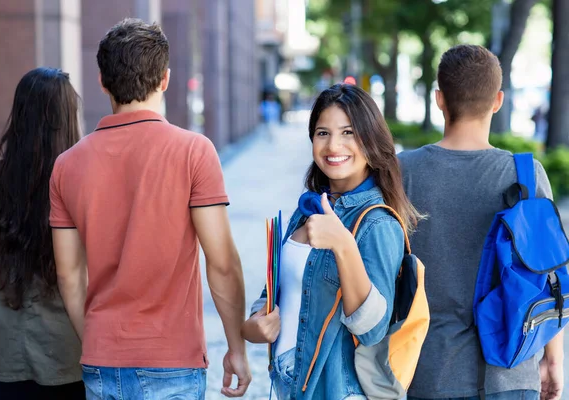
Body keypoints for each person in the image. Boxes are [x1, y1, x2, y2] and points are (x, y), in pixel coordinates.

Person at [48, 18, 251, 399]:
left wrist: (97, 341)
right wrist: (236, 348)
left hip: (101, 360)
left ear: (102, 82)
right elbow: (222, 263)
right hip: (172, 360)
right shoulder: (194, 151)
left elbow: (69, 275)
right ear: (166, 80)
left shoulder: (67, 165)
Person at [398, 44, 564, 400]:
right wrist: (553, 358)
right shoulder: (525, 173)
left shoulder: (403, 172)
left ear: (439, 99)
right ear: (498, 100)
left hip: (425, 372)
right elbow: (549, 274)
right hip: (511, 370)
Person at [241, 83, 421, 399]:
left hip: (337, 390)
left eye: (348, 132)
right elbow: (274, 292)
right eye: (323, 133)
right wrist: (254, 325)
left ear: (371, 140)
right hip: (291, 384)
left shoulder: (377, 223)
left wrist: (343, 244)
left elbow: (372, 330)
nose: (333, 145)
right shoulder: (307, 208)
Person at [0, 67, 83, 400]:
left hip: (10, 359)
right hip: (71, 356)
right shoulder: (79, 184)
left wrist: (6, 328)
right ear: (66, 120)